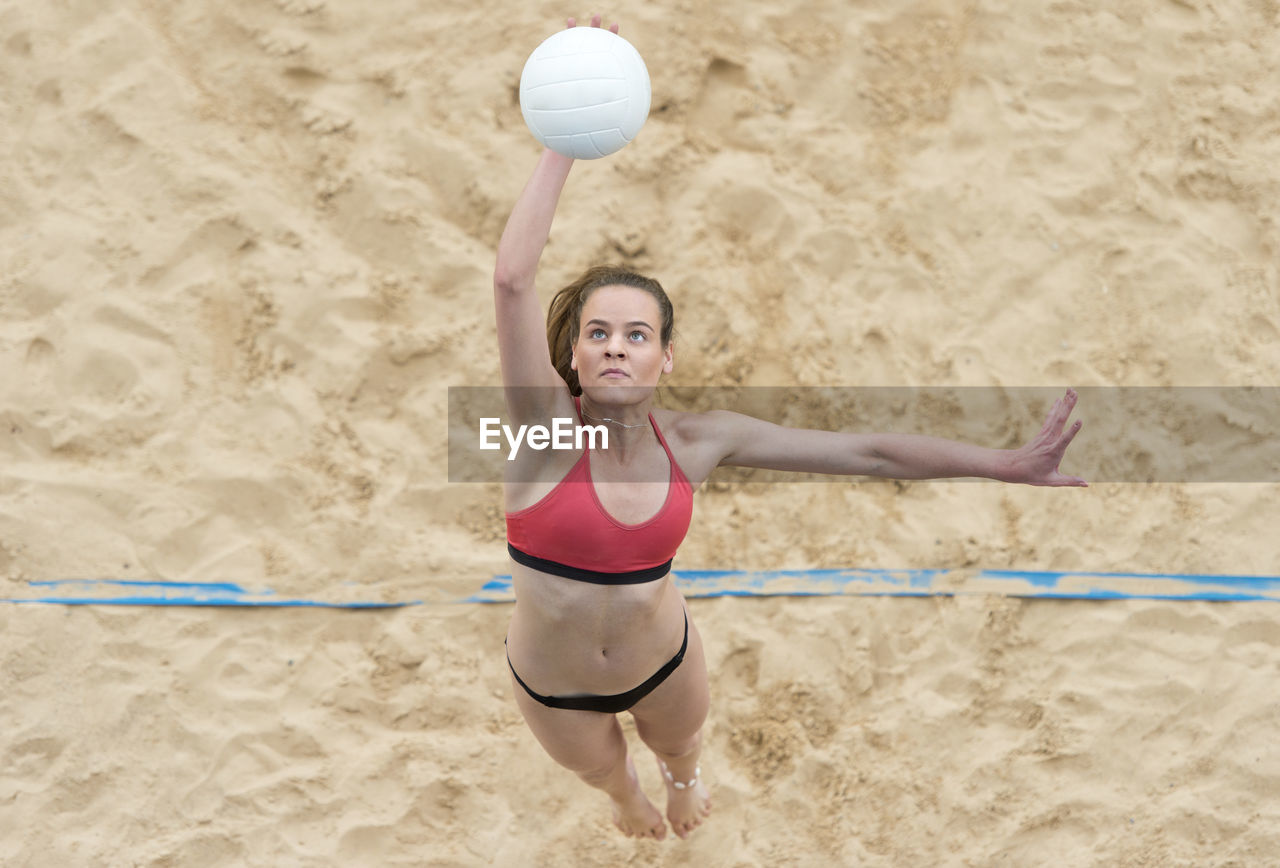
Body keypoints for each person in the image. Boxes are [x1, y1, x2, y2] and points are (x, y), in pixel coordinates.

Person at [492, 14, 1087, 842]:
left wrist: (1004, 464)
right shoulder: (544, 436)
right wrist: (566, 134)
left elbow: (868, 453)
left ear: (665, 359)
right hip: (552, 685)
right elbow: (514, 280)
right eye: (599, 335)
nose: (617, 349)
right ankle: (627, 798)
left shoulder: (697, 442)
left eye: (637, 336)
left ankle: (678, 783)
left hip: (665, 660)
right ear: (576, 358)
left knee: (683, 750)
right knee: (604, 774)